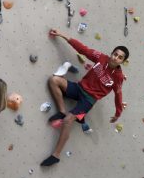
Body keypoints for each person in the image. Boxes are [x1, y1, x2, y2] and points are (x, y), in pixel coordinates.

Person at [41, 30, 128, 167]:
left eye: (120, 57)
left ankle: (56, 155)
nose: (116, 57)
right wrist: (62, 35)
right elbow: (83, 49)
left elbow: (118, 95)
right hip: (79, 89)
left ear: (122, 61)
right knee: (54, 80)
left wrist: (118, 113)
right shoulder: (101, 58)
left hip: (88, 102)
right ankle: (61, 110)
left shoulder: (118, 77)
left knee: (68, 121)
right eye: (115, 54)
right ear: (112, 54)